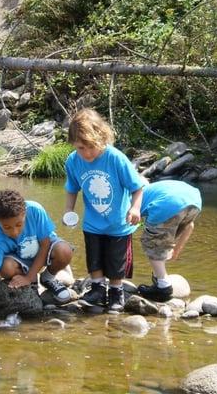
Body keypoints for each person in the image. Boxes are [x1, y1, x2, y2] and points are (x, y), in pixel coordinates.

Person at [64, 108, 144, 312]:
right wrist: (68, 211)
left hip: (118, 223)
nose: (86, 153)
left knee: (116, 261)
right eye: (80, 148)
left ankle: (116, 291)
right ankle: (98, 289)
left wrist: (135, 208)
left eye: (90, 147)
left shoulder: (115, 158)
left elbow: (137, 187)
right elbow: (72, 188)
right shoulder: (73, 161)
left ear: (101, 138)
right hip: (93, 223)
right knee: (94, 257)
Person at [0, 189, 74, 328]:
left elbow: (45, 245)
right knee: (4, 268)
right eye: (7, 227)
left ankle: (47, 278)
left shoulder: (35, 210)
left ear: (25, 214)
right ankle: (33, 281)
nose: (14, 232)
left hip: (45, 250)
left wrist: (29, 277)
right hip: (21, 261)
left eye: (19, 224)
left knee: (65, 251)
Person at [137, 180, 202, 302]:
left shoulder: (135, 196)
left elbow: (129, 221)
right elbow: (190, 226)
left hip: (169, 204)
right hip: (195, 201)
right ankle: (158, 278)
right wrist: (176, 250)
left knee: (151, 241)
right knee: (163, 239)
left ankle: (163, 286)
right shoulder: (157, 190)